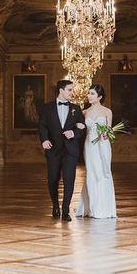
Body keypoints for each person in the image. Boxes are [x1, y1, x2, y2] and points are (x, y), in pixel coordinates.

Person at [38, 80, 86, 222]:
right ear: (61, 90)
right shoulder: (47, 108)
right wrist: (44, 140)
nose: (72, 92)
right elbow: (42, 126)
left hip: (71, 150)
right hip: (53, 149)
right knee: (52, 180)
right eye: (70, 90)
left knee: (69, 181)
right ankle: (55, 205)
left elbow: (82, 127)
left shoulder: (76, 109)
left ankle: (66, 211)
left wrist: (74, 133)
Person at [76, 84, 117, 219]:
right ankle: (93, 208)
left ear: (99, 96)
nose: (88, 96)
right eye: (88, 93)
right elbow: (80, 128)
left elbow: (110, 130)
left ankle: (106, 208)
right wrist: (77, 125)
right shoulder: (84, 112)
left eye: (92, 94)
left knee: (104, 172)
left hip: (103, 145)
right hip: (90, 145)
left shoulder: (107, 111)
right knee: (92, 173)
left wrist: (107, 133)